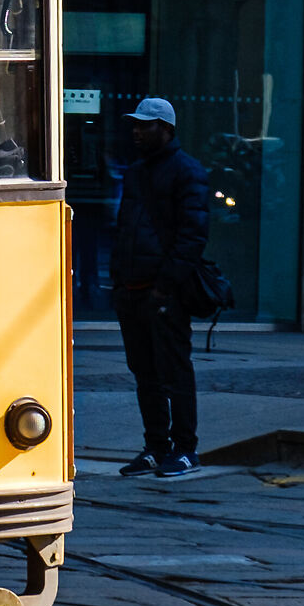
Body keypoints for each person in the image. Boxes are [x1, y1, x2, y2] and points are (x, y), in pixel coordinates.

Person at [111, 96, 209, 479]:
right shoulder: (136, 172)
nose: (137, 131)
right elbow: (124, 228)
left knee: (174, 372)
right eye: (135, 124)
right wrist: (119, 282)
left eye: (145, 125)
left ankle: (185, 449)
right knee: (145, 373)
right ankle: (156, 447)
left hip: (162, 292)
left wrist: (165, 287)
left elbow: (192, 236)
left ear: (166, 129)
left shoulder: (187, 171)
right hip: (133, 289)